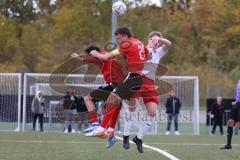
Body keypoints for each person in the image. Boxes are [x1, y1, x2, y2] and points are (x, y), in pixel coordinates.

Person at [86, 27, 153, 151]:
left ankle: (102, 128)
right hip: (136, 77)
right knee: (116, 101)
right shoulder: (139, 43)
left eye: (119, 38)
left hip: (133, 77)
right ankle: (109, 130)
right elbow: (148, 57)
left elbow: (105, 58)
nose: (118, 41)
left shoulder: (126, 44)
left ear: (125, 35)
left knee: (113, 98)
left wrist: (94, 53)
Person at [122, 31, 171, 152]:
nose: (155, 42)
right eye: (153, 40)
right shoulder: (140, 49)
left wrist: (160, 39)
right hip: (137, 81)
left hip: (149, 84)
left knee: (152, 113)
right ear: (149, 39)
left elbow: (169, 44)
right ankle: (126, 136)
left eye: (157, 41)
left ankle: (138, 138)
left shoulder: (158, 52)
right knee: (132, 108)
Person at [71, 44, 124, 134]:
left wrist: (76, 56)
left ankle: (95, 123)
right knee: (107, 107)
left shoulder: (96, 56)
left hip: (112, 85)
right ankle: (108, 130)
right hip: (118, 85)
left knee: (87, 98)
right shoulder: (106, 54)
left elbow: (82, 60)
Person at [221, 80, 240, 149]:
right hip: (237, 103)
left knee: (238, 125)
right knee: (229, 122)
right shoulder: (238, 81)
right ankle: (228, 145)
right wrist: (235, 102)